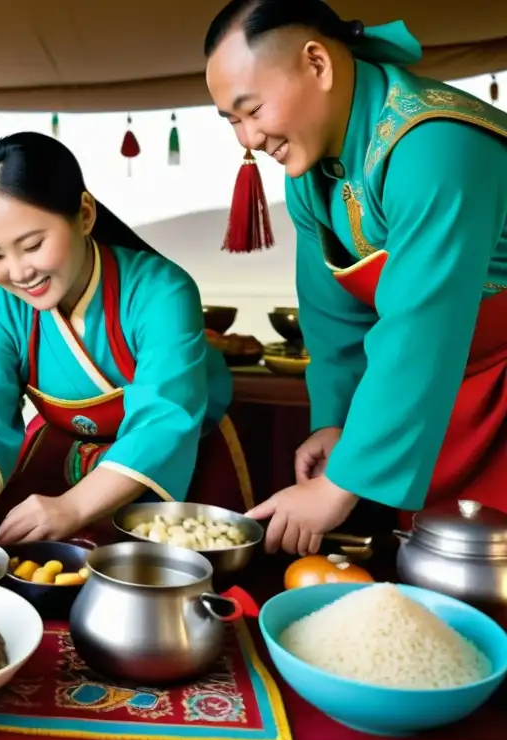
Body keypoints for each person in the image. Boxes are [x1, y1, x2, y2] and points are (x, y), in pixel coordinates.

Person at [204, 0, 507, 555]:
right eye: (232, 121)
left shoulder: (434, 142)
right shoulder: (311, 171)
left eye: (253, 109)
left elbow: (421, 326)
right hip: (436, 391)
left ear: (317, 63)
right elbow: (333, 322)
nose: (247, 138)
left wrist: (341, 483)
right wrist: (334, 427)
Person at [0, 132, 252, 546]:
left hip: (176, 462)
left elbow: (164, 417)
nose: (18, 271)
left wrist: (75, 506)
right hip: (66, 457)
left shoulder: (161, 292)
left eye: (32, 245)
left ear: (84, 214)